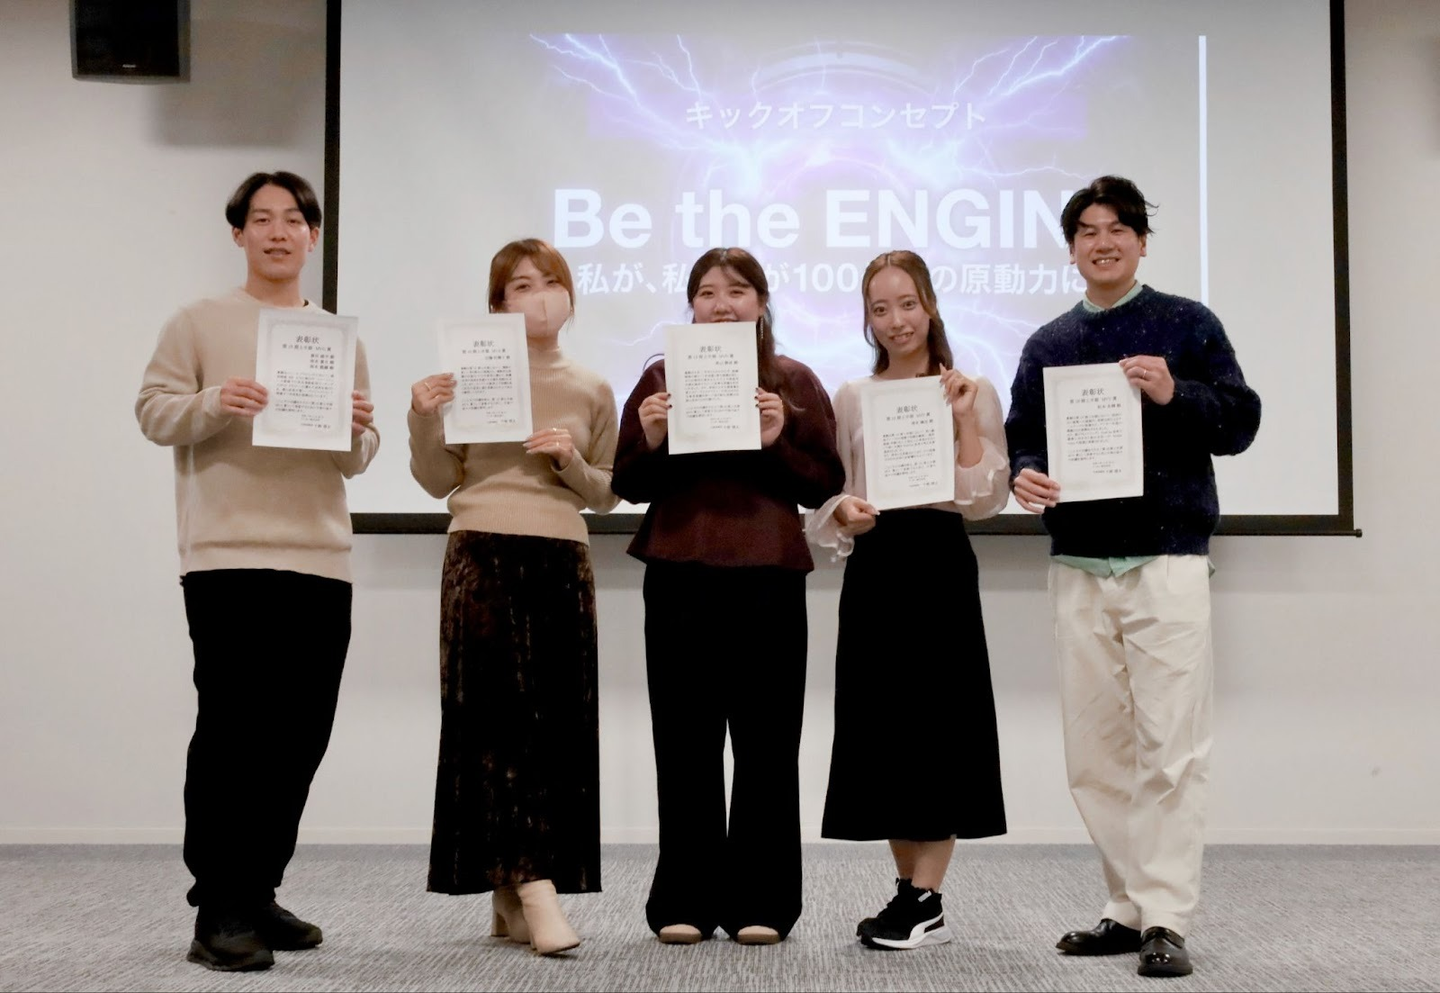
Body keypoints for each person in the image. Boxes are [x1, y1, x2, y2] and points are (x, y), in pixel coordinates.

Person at [1004, 176, 1261, 978]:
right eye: (1087, 230)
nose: (1103, 241)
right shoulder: (1048, 342)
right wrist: (1024, 474)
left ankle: (1167, 916)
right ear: (1071, 248)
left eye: (1118, 227)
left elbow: (1241, 420)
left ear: (1142, 242)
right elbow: (1023, 437)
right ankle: (1126, 905)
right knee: (1095, 751)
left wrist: (1175, 393)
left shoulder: (1188, 322)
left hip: (1167, 558)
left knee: (1171, 745)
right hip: (1078, 564)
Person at [135, 171, 380, 972]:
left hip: (321, 557)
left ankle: (259, 889)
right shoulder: (198, 322)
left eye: (294, 219)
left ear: (314, 236)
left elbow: (357, 458)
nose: (279, 232)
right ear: (238, 233)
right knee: (233, 733)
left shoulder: (335, 338)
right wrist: (215, 402)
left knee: (299, 736)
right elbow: (153, 411)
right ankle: (219, 906)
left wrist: (357, 427)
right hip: (229, 555)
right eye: (262, 219)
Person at [611, 247, 845, 946]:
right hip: (678, 573)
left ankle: (762, 899)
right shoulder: (660, 377)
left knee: (767, 744)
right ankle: (684, 895)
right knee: (684, 742)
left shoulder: (793, 381)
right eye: (707, 292)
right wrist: (654, 437)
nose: (722, 305)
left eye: (738, 291)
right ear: (691, 306)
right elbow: (628, 482)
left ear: (762, 304)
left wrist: (776, 439)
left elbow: (823, 483)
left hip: (768, 576)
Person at [409, 238, 618, 956]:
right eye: (521, 285)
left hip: (562, 556)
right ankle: (535, 889)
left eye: (550, 282)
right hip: (481, 550)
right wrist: (423, 416)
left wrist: (569, 460)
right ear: (496, 303)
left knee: (557, 726)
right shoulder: (468, 373)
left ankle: (510, 891)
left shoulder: (592, 386)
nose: (539, 296)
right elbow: (438, 480)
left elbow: (607, 492)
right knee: (495, 725)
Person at [807, 250, 1009, 950]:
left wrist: (965, 421)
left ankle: (927, 894)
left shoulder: (971, 389)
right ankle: (911, 894)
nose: (896, 320)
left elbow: (984, 498)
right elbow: (832, 494)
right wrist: (844, 512)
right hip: (877, 565)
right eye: (880, 308)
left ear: (930, 306)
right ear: (867, 319)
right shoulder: (852, 396)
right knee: (883, 729)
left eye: (907, 304)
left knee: (941, 727)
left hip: (940, 562)